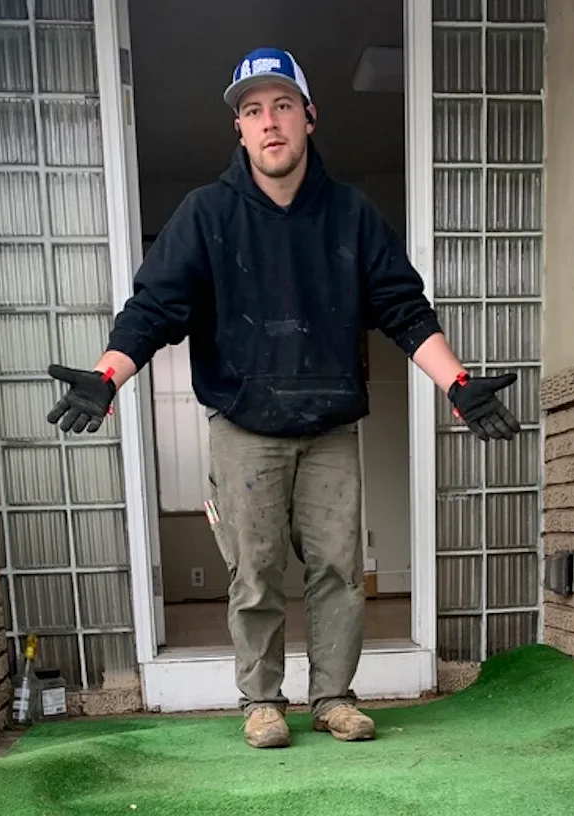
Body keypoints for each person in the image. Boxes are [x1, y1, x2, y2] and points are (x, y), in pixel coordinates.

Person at [46, 47, 521, 749]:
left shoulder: (353, 217)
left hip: (330, 423)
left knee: (337, 569)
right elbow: (154, 308)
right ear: (239, 130)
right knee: (255, 571)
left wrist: (457, 383)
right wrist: (109, 373)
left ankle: (333, 697)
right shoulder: (205, 216)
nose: (268, 123)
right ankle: (260, 702)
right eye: (252, 111)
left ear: (309, 118)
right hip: (244, 424)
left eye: (282, 106)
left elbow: (404, 310)